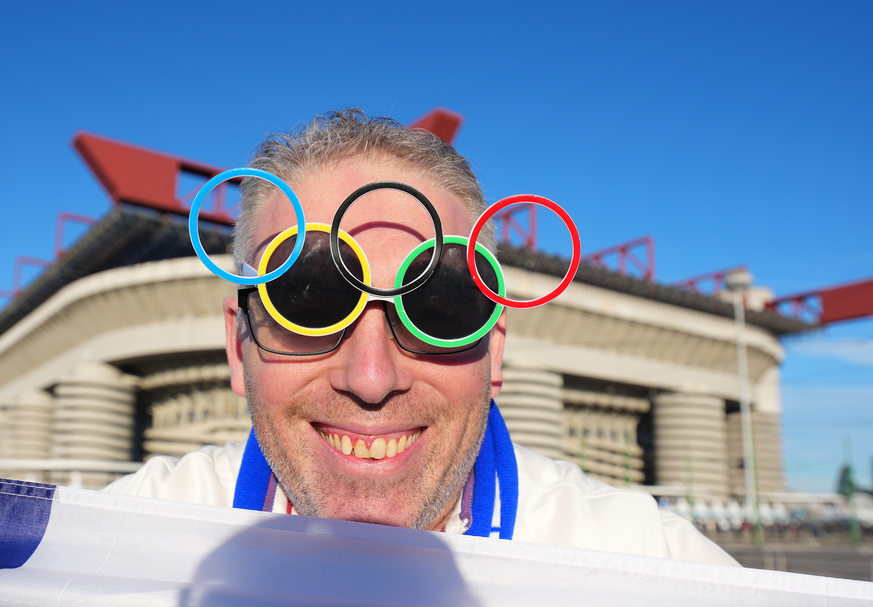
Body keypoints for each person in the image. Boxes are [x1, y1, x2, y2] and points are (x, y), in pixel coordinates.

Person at [108, 109, 734, 567]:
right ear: (236, 344)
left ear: (496, 348)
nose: (373, 377)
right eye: (309, 298)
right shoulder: (121, 545)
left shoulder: (646, 566)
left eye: (439, 305)